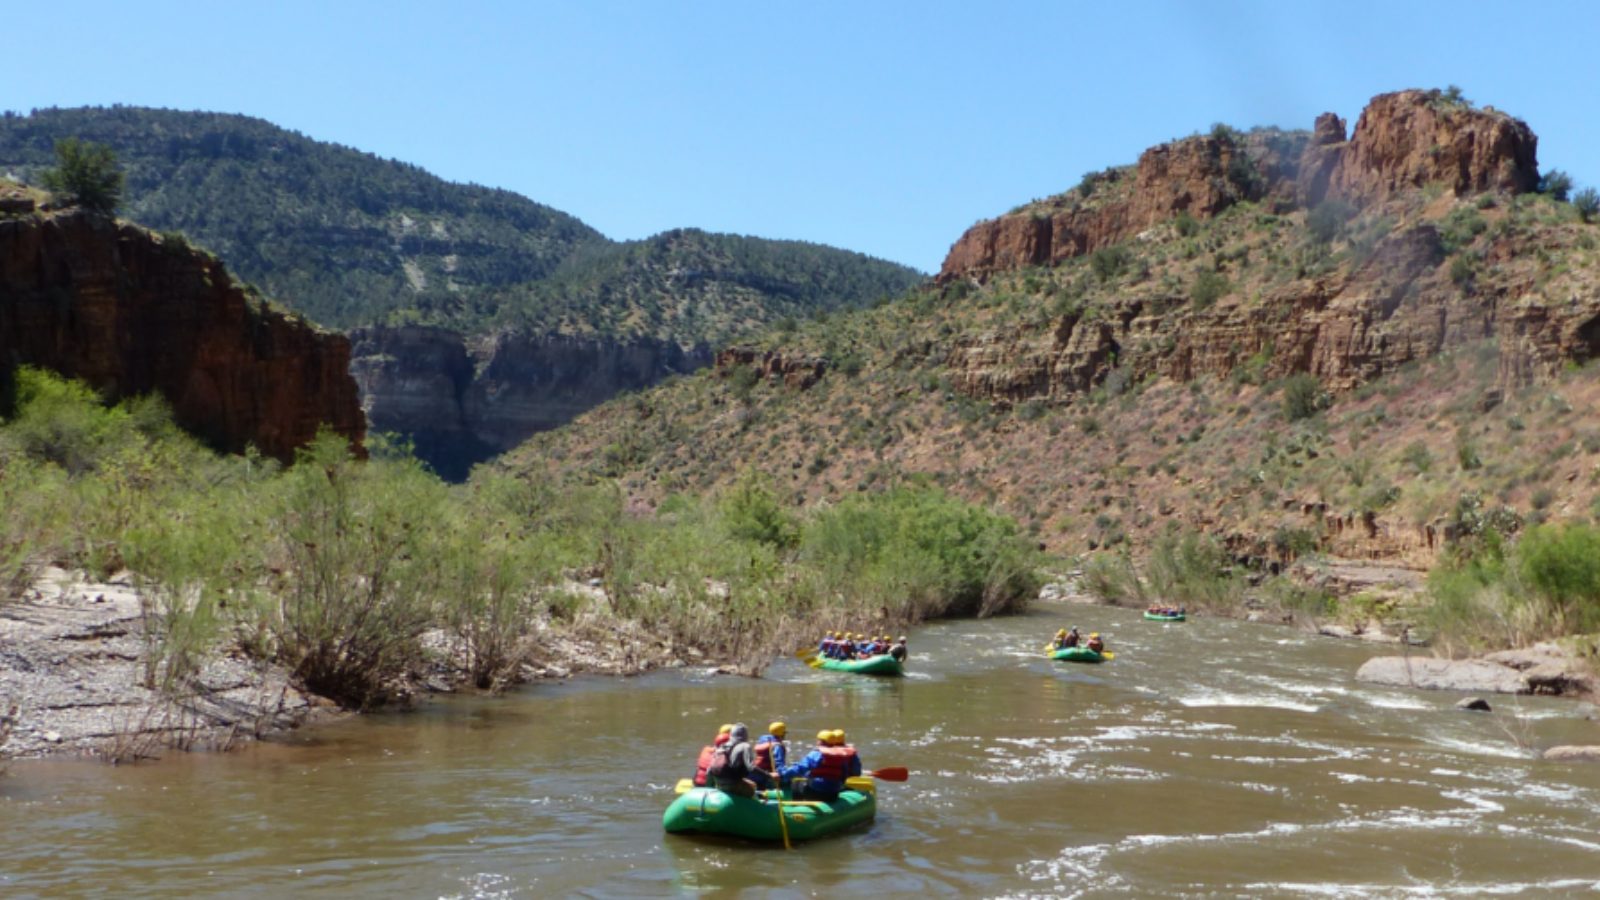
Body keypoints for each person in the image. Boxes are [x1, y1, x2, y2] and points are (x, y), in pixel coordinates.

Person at [780, 729, 863, 802]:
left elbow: (799, 768)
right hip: (833, 794)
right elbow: (844, 775)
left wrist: (782, 775)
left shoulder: (816, 754)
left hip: (816, 794)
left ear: (821, 741)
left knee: (796, 784)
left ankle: (797, 809)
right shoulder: (841, 755)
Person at [709, 723, 757, 798]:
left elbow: (709, 770)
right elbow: (751, 767)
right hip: (733, 785)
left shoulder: (721, 747)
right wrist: (769, 775)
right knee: (752, 789)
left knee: (750, 784)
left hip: (718, 784)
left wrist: (708, 787)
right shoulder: (744, 746)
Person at [751, 721, 788, 789]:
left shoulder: (762, 740)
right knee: (789, 780)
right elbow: (779, 765)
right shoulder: (777, 747)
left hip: (756, 773)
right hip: (766, 776)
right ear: (782, 734)